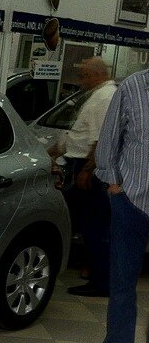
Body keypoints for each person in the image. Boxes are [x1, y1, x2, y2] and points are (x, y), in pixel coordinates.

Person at [93, 68, 149, 343]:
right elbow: (110, 137)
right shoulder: (132, 87)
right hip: (130, 200)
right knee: (123, 280)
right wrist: (113, 183)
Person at [48, 57, 117, 297]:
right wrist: (51, 153)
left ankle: (101, 281)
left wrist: (88, 171)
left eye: (84, 76)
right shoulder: (97, 95)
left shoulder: (104, 98)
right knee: (86, 223)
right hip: (82, 164)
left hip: (91, 169)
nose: (81, 81)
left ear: (96, 75)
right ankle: (93, 271)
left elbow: (100, 140)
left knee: (95, 226)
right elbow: (77, 135)